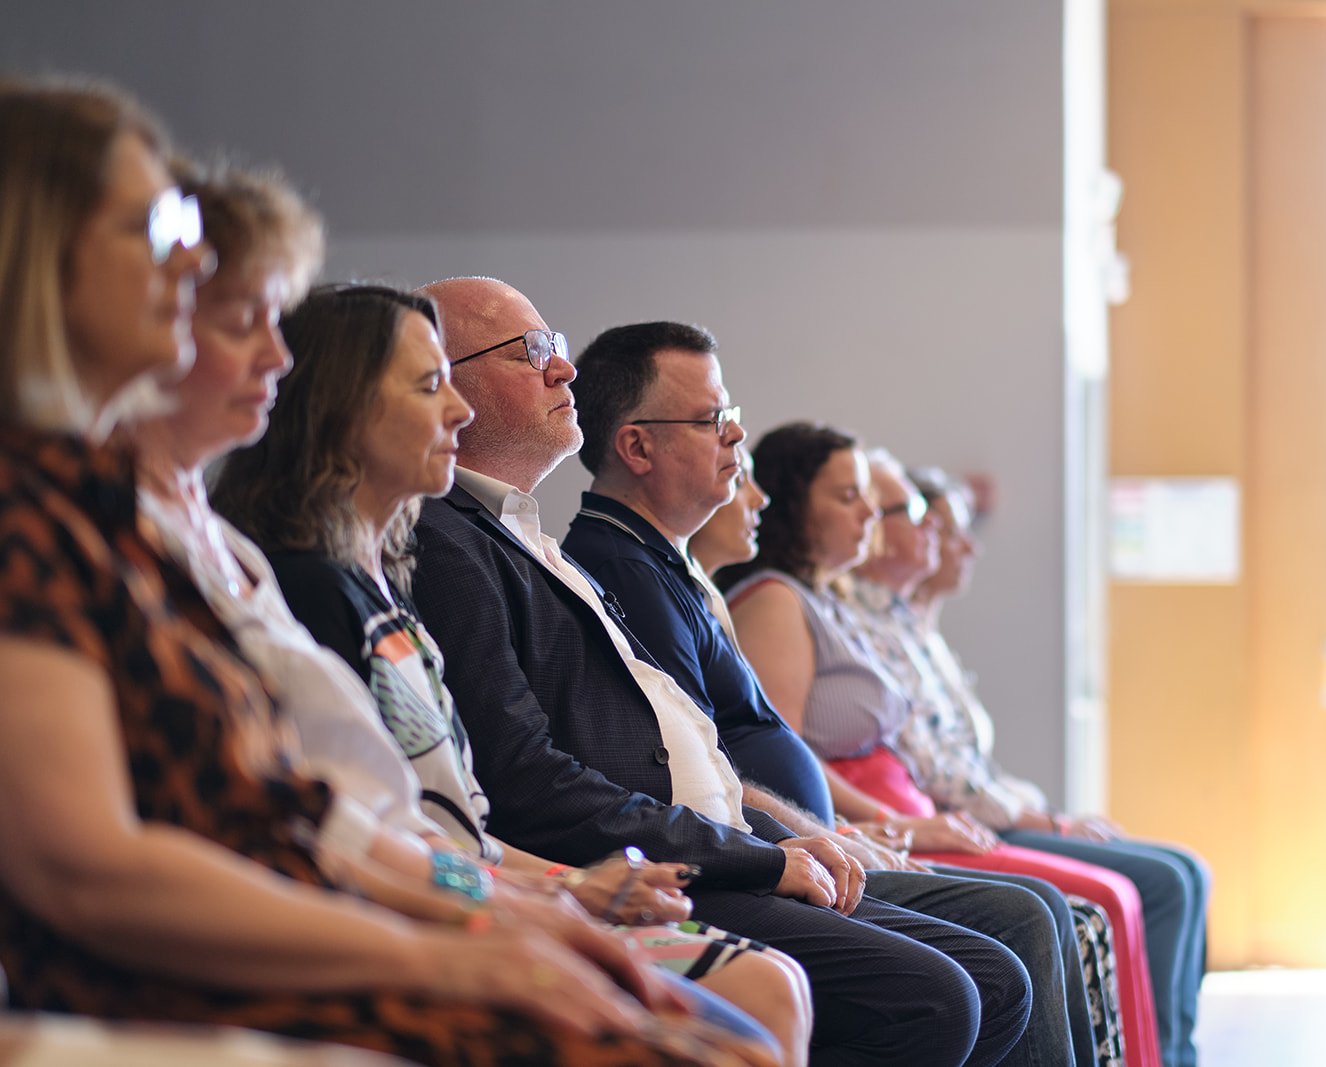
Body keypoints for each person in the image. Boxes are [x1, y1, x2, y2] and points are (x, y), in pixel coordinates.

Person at [0, 77, 762, 1067]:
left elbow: (330, 823)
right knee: (708, 1034)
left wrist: (502, 908)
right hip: (192, 983)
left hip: (351, 913)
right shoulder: (46, 514)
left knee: (721, 1024)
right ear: (43, 251)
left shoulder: (145, 528)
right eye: (153, 226)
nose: (187, 256)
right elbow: (92, 872)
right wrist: (468, 935)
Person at [406, 276, 1033, 1067]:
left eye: (558, 350)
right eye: (534, 353)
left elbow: (693, 749)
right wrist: (780, 850)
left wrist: (786, 840)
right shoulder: (466, 545)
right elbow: (532, 778)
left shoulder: (538, 539)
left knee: (996, 970)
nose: (561, 369)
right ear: (445, 385)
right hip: (665, 868)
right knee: (944, 990)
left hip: (733, 846)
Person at [205, 275, 805, 1062]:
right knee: (764, 1004)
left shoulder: (379, 579)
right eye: (430, 386)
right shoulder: (319, 585)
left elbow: (458, 821)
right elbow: (374, 835)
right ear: (343, 410)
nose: (455, 409)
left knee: (776, 991)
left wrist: (553, 886)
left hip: (486, 882)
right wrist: (548, 892)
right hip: (429, 906)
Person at [561, 319, 1113, 1067]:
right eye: (712, 419)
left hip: (805, 844)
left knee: (1027, 922)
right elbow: (692, 774)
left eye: (733, 417)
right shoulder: (622, 568)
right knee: (998, 944)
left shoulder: (666, 567)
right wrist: (813, 837)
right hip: (756, 857)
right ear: (637, 447)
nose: (734, 438)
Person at [719, 422, 1168, 1067]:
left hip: (888, 820)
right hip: (857, 825)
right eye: (849, 497)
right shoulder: (777, 602)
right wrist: (892, 824)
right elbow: (777, 747)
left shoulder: (836, 604)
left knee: (1107, 895)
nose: (868, 512)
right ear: (796, 505)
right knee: (1054, 913)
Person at [846, 452, 1210, 1067]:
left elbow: (967, 760)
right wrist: (1048, 823)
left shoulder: (910, 628)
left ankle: (1173, 1054)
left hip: (958, 810)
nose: (955, 544)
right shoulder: (852, 623)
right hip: (940, 817)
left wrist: (1041, 809)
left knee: (1182, 869)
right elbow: (937, 773)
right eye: (931, 522)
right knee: (1150, 884)